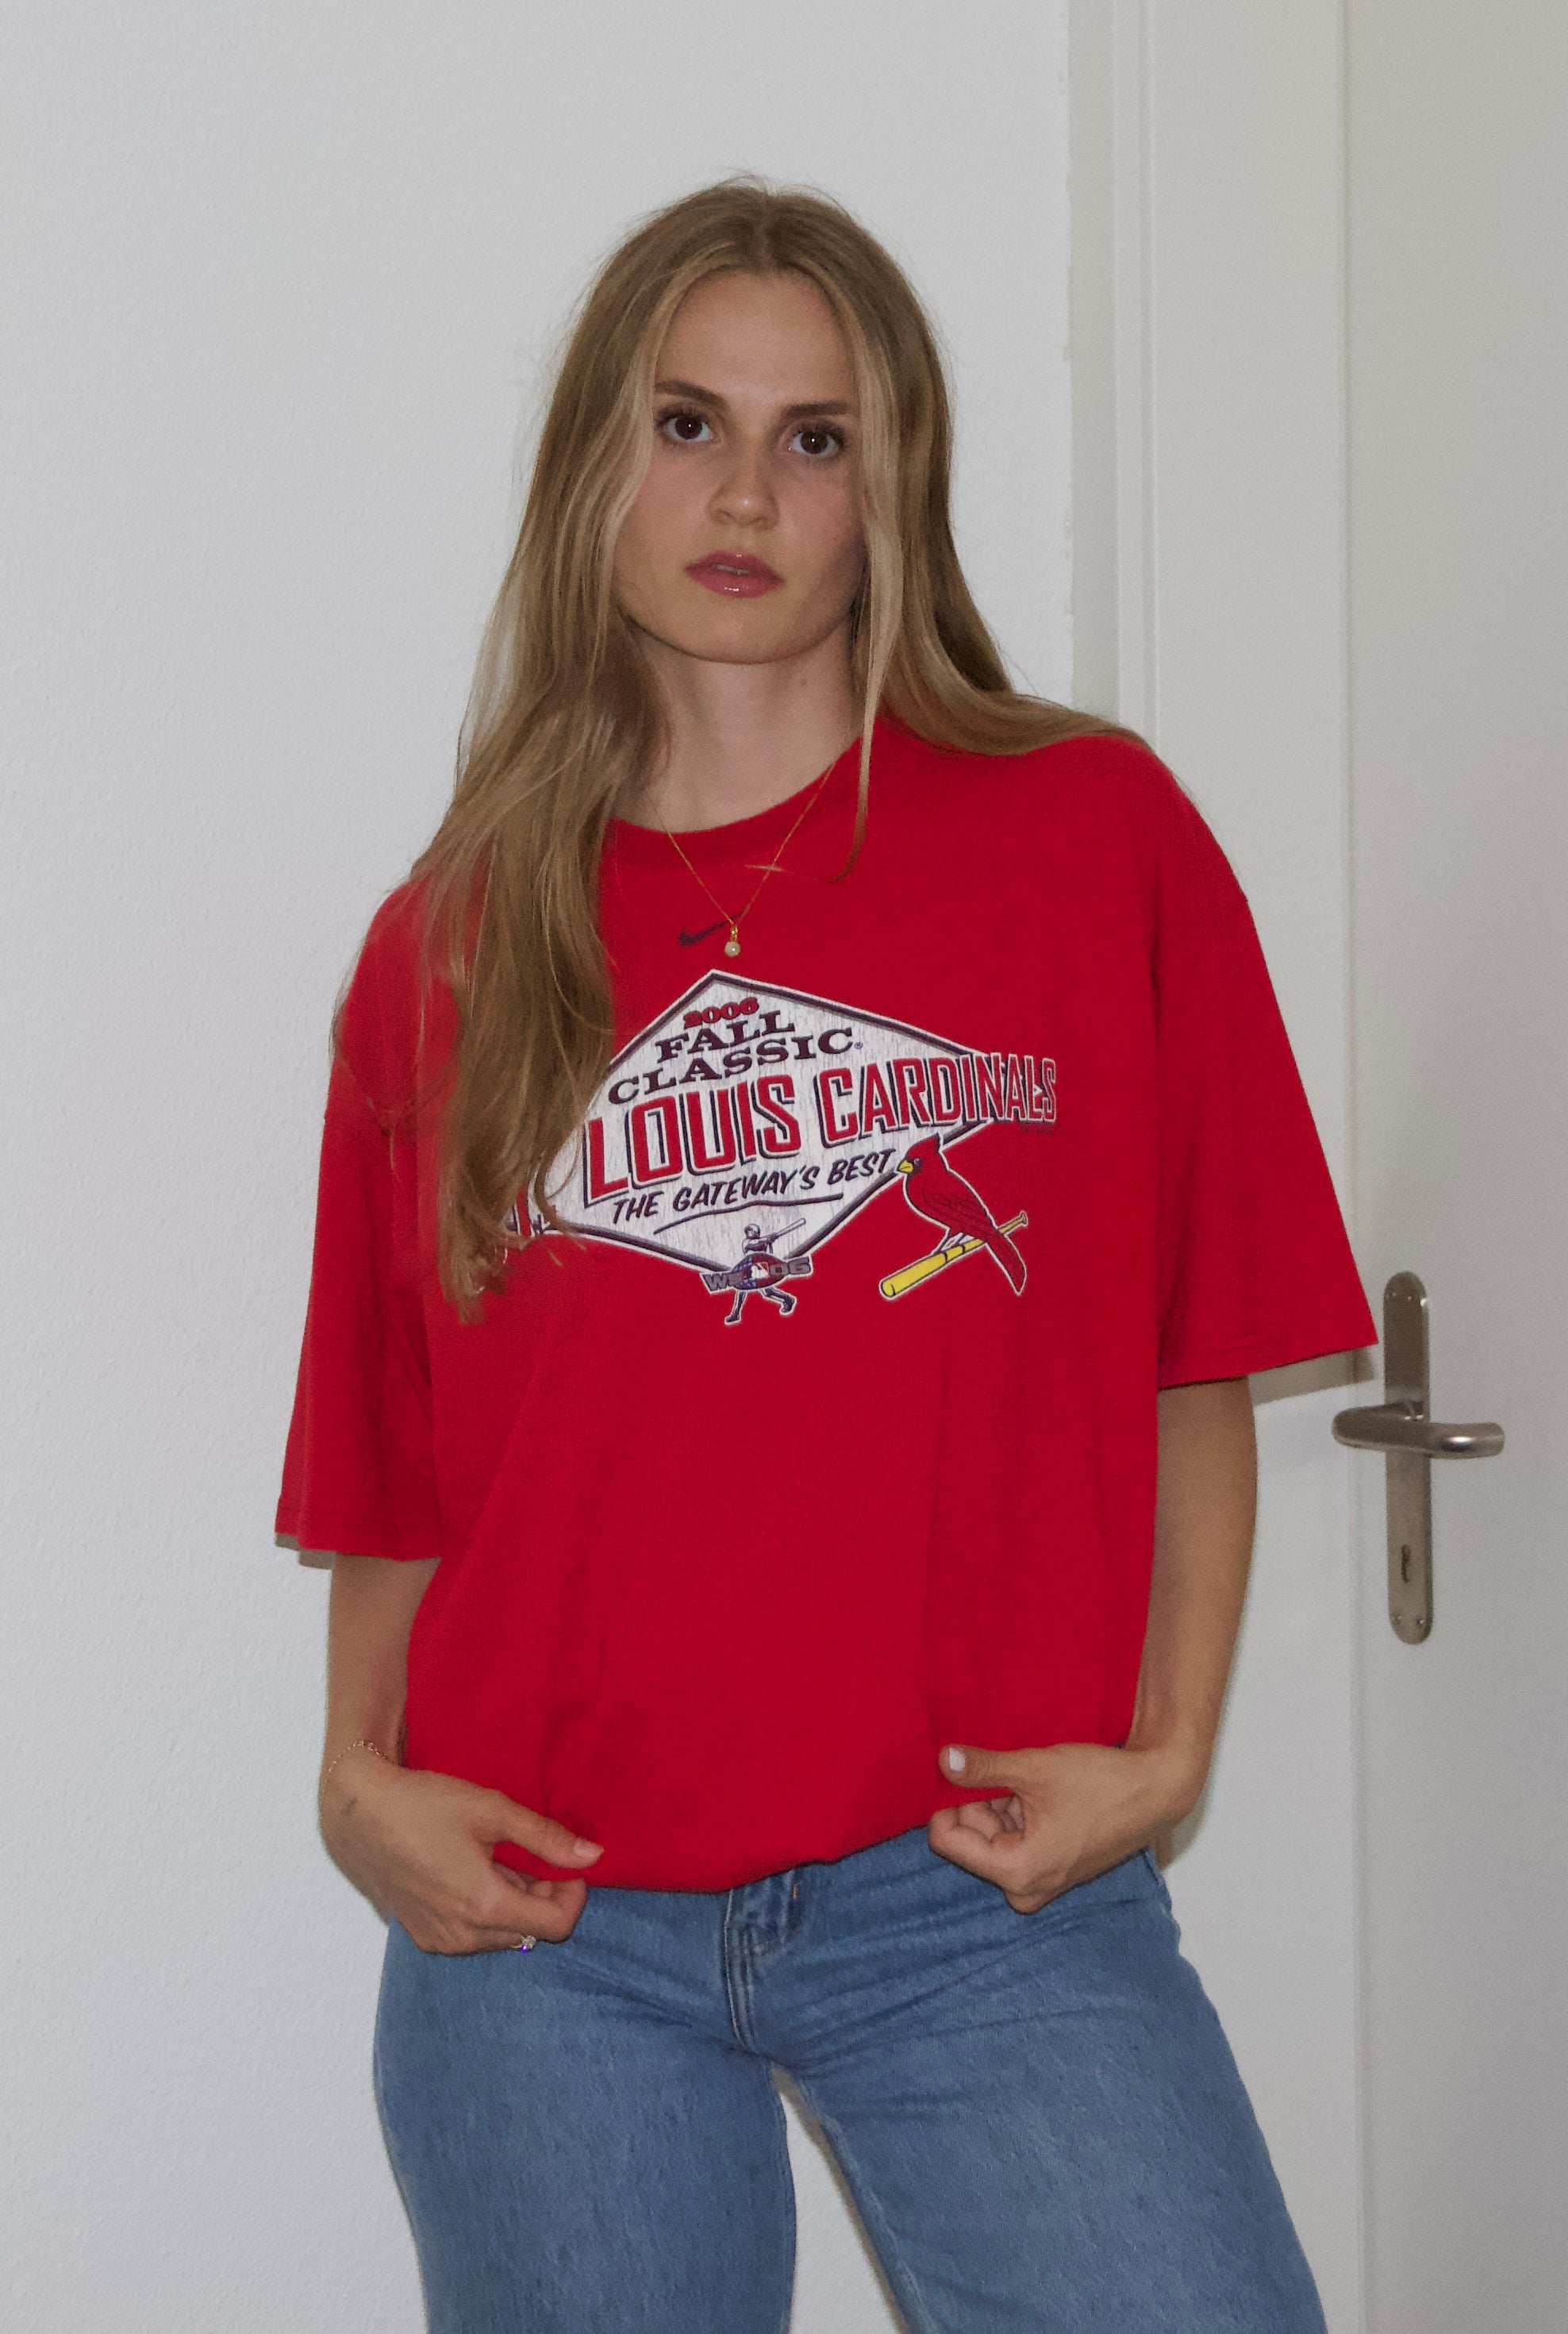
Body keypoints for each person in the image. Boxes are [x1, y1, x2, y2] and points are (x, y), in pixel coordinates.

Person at [277, 179, 1375, 2333]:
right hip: (547, 1939)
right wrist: (354, 1779)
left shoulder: (1093, 835)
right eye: (687, 424)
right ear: (594, 465)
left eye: (817, 438)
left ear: (894, 492)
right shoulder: (456, 939)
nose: (745, 496)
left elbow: (1203, 1338)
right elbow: (396, 1466)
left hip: (976, 1901)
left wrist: (1172, 1743)